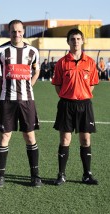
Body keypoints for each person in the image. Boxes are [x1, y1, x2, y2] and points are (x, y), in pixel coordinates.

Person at [0, 19, 43, 187]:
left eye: (19, 31)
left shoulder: (33, 51)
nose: (17, 34)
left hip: (27, 100)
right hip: (7, 100)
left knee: (29, 135)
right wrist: (3, 86)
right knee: (5, 136)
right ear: (9, 32)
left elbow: (37, 70)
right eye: (13, 31)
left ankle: (35, 176)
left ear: (24, 32)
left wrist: (30, 85)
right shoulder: (0, 50)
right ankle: (0, 176)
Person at [52, 28, 99, 186]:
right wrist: (69, 95)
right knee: (65, 139)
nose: (76, 41)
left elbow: (92, 85)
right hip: (66, 104)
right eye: (72, 39)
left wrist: (81, 94)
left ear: (82, 41)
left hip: (84, 105)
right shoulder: (62, 62)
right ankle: (61, 174)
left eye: (78, 39)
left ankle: (87, 174)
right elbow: (57, 85)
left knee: (85, 139)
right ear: (68, 42)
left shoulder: (90, 62)